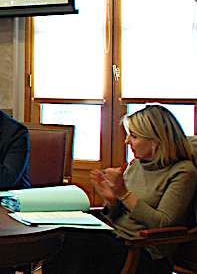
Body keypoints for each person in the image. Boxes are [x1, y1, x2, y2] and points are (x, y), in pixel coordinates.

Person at [44, 105, 197, 274]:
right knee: (64, 238)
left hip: (145, 252)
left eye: (134, 136)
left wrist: (123, 194)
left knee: (77, 243)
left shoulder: (183, 172)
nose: (127, 141)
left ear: (156, 140)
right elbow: (119, 216)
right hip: (117, 239)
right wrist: (112, 201)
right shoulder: (136, 164)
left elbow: (163, 223)